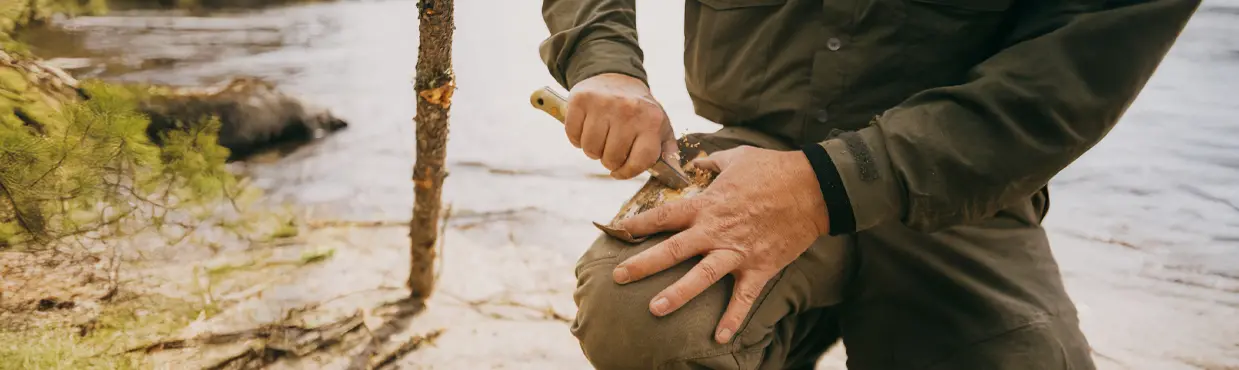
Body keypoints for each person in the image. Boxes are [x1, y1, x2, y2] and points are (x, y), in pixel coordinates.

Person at [538, 0, 1198, 368]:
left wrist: (817, 189)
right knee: (646, 319)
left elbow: (1060, 88)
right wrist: (604, 64)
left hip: (953, 188)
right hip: (748, 147)